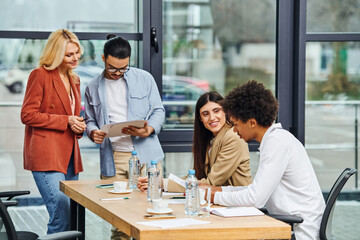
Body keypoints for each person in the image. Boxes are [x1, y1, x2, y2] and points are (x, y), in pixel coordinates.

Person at [209, 80, 325, 239]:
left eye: (235, 124)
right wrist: (219, 190)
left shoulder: (276, 143)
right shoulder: (277, 139)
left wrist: (213, 196)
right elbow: (255, 190)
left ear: (251, 122)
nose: (234, 131)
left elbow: (255, 199)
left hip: (299, 232)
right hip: (291, 226)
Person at [84, 34, 165, 240]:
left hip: (148, 157)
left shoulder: (145, 78)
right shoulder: (93, 86)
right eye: (112, 68)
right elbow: (89, 119)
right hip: (114, 157)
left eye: (123, 68)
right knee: (119, 221)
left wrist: (149, 129)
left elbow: (158, 111)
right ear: (103, 59)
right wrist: (93, 131)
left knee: (152, 213)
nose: (118, 73)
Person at [21, 29, 86, 234]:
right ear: (56, 54)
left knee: (71, 218)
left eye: (77, 53)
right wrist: (66, 121)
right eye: (69, 55)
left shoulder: (74, 80)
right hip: (47, 155)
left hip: (69, 157)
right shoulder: (40, 75)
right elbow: (27, 115)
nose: (75, 58)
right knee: (60, 216)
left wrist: (78, 126)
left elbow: (70, 117)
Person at [137, 91, 252, 191]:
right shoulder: (211, 139)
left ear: (225, 112)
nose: (212, 117)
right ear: (200, 119)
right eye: (205, 114)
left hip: (238, 207)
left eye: (216, 111)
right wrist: (159, 181)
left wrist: (163, 184)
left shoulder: (233, 137)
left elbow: (211, 183)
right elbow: (195, 178)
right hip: (219, 204)